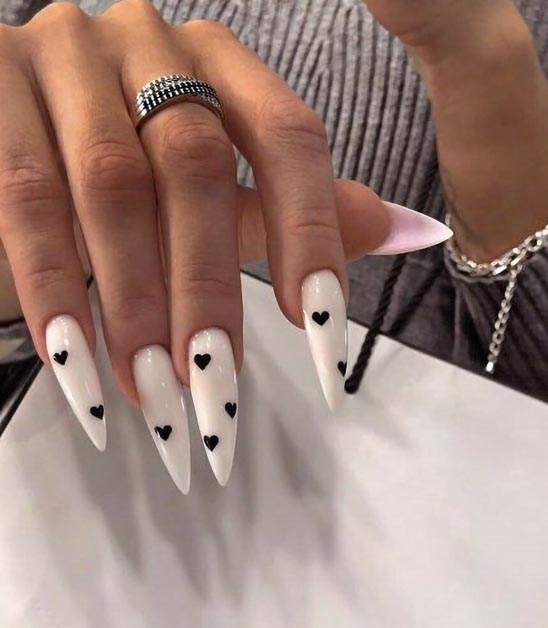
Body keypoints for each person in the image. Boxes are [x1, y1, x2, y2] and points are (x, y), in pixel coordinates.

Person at [0, 0, 547, 490]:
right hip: (64, 499)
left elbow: (528, 381)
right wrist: (19, 273)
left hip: (392, 504)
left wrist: (478, 50)